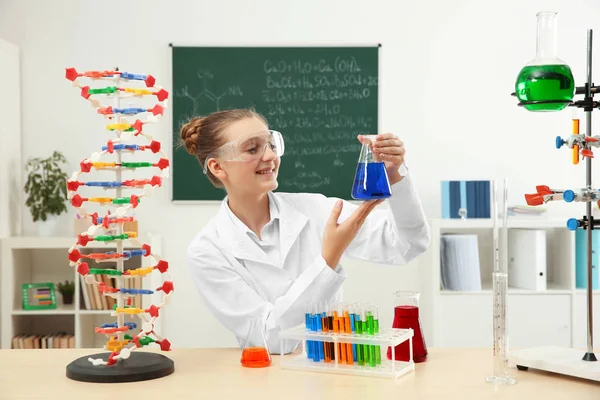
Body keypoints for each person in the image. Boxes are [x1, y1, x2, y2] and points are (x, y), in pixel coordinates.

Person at [180, 108, 430, 354]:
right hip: (265, 383)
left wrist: (395, 175)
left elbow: (408, 243)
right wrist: (328, 260)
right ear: (217, 167)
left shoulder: (315, 209)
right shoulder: (207, 251)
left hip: (334, 372)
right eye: (252, 149)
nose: (269, 156)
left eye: (271, 145)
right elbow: (271, 339)